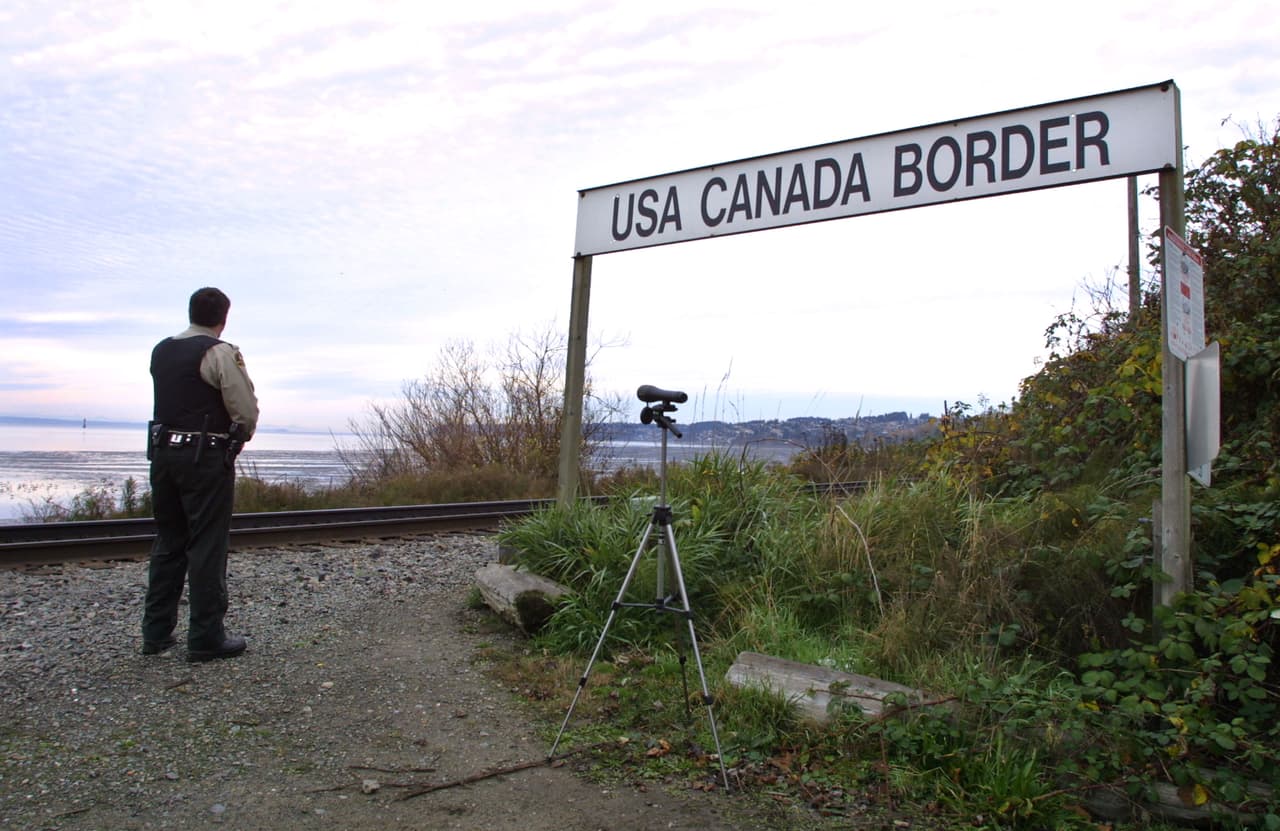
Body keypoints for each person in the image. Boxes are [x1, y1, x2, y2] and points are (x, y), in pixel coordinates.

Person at [142, 287, 259, 662]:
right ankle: (206, 636)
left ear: (190, 312)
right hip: (203, 457)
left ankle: (156, 633)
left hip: (162, 455)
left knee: (169, 540)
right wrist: (238, 439)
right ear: (223, 318)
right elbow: (244, 409)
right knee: (207, 545)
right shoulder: (220, 353)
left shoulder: (162, 350)